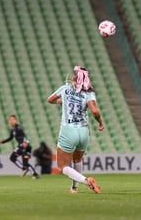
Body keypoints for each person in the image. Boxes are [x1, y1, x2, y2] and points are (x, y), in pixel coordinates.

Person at [47, 66, 104, 194]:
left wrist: (62, 102)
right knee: (77, 160)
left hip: (68, 130)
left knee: (62, 166)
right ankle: (74, 188)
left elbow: (50, 100)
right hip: (84, 131)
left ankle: (86, 181)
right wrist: (100, 123)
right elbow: (94, 111)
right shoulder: (89, 92)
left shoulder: (65, 88)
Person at [0, 115, 39, 179]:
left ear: (15, 120)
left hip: (24, 145)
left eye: (13, 120)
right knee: (25, 163)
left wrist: (24, 143)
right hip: (24, 145)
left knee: (12, 157)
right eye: (10, 120)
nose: (11, 121)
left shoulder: (18, 127)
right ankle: (35, 175)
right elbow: (10, 138)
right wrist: (2, 142)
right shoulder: (12, 130)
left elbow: (24, 136)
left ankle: (24, 168)